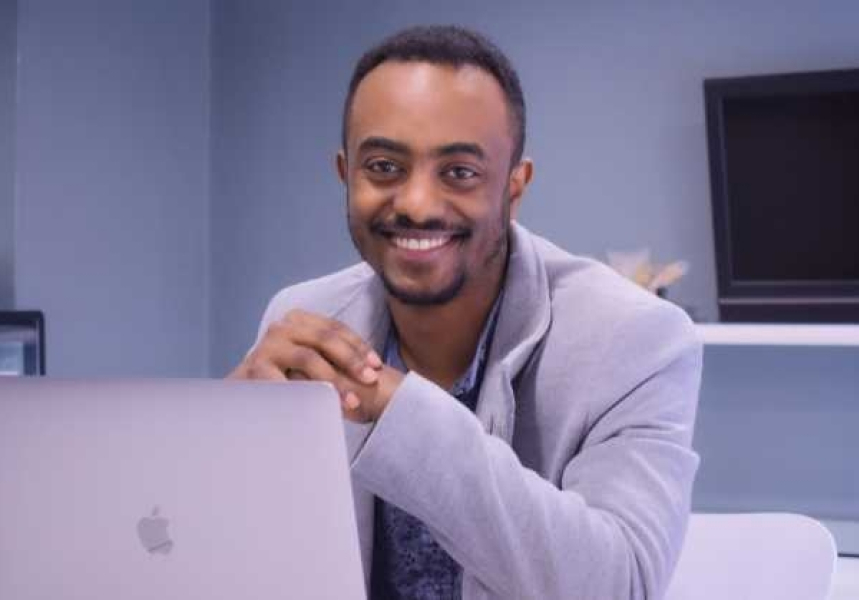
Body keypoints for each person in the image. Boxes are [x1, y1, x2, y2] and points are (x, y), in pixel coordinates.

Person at [230, 25, 702, 600]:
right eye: (383, 166)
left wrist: (399, 411)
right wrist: (229, 441)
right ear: (345, 174)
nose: (416, 203)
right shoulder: (305, 319)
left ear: (514, 187)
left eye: (459, 172)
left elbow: (619, 585)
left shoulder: (635, 339)